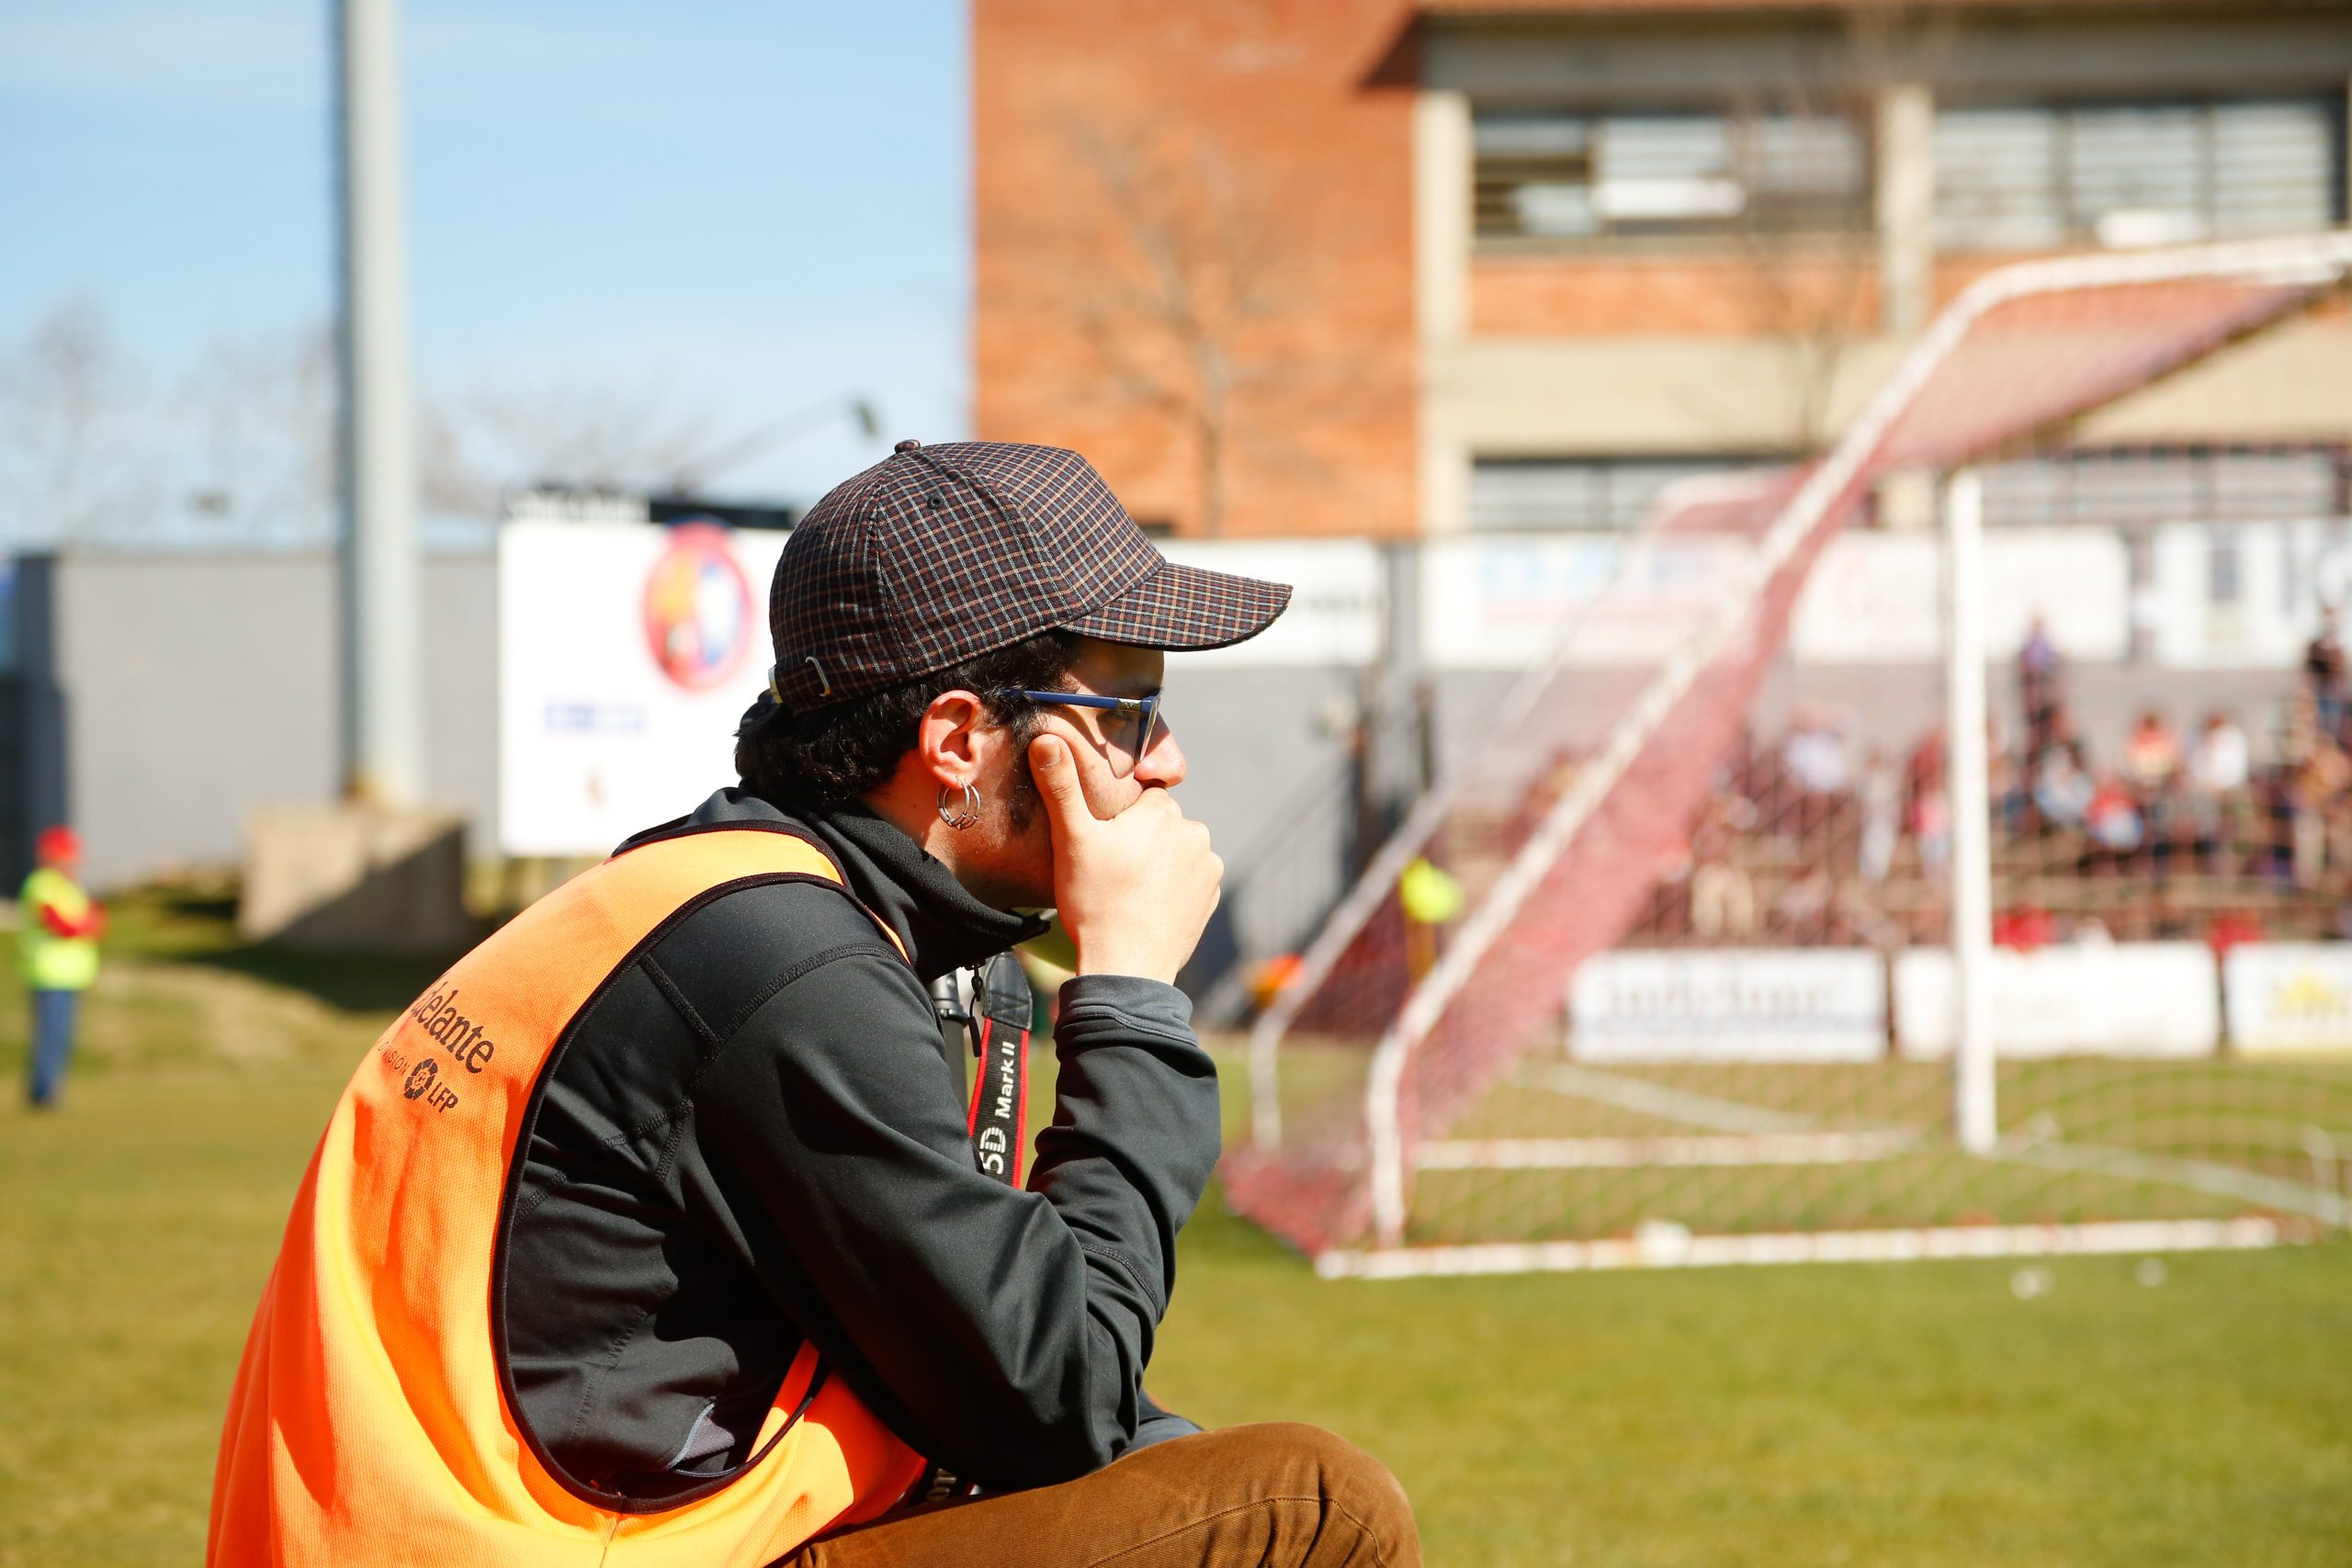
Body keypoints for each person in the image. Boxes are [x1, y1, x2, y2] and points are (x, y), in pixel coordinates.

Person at [209, 441, 1419, 1568]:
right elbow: (1059, 1393)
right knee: (1315, 1507)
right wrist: (1133, 995)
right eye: (1129, 713)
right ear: (958, 739)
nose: (1167, 762)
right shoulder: (788, 965)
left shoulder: (748, 899)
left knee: (1179, 1468)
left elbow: (997, 1383)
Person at [17, 825, 104, 1109]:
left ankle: (51, 1087)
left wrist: (86, 925)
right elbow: (60, 923)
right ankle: (43, 1091)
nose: (73, 863)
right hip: (48, 973)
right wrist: (81, 927)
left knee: (63, 1036)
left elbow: (95, 920)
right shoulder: (42, 884)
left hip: (72, 975)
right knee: (50, 1035)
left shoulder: (71, 887)